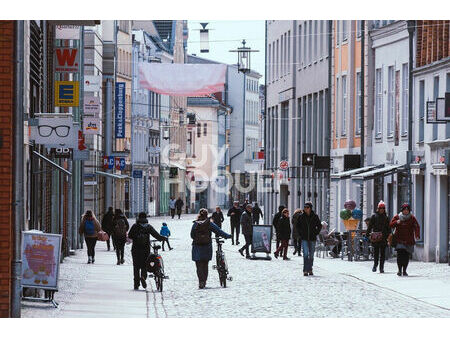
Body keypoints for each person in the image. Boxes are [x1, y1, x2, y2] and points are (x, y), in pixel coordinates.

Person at [191, 208, 231, 289]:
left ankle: (201, 282)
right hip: (207, 246)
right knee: (205, 264)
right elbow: (219, 231)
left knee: (199, 266)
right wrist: (227, 236)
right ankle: (204, 281)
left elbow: (192, 235)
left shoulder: (195, 224)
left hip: (197, 246)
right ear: (207, 215)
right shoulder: (209, 223)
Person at [127, 212, 166, 290]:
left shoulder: (135, 226)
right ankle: (143, 277)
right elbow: (156, 235)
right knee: (145, 265)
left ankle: (136, 284)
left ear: (139, 218)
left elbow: (130, 236)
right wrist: (162, 238)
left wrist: (136, 237)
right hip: (146, 249)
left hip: (136, 249)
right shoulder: (148, 227)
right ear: (145, 218)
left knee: (136, 266)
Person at [389, 203, 420, 277]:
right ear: (402, 210)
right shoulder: (397, 217)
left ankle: (404, 270)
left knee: (406, 256)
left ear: (409, 211)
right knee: (400, 255)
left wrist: (417, 235)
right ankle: (399, 270)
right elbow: (391, 224)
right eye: (404, 210)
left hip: (409, 240)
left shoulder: (412, 218)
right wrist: (396, 222)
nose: (406, 211)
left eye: (407, 210)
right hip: (399, 239)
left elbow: (417, 226)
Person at [296, 202, 321, 276]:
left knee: (312, 254)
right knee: (306, 254)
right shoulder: (301, 216)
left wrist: (316, 232)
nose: (305, 208)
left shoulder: (315, 216)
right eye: (304, 207)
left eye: (307, 207)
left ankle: (310, 268)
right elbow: (297, 226)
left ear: (310, 208)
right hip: (304, 238)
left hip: (312, 238)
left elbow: (319, 225)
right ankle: (305, 270)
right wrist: (300, 233)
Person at [367, 201, 390, 273]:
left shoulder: (386, 217)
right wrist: (367, 234)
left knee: (383, 254)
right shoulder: (374, 216)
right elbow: (370, 226)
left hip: (383, 237)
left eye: (383, 208)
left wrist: (389, 235)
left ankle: (381, 268)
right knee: (376, 252)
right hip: (376, 237)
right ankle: (375, 265)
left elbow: (388, 228)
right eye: (381, 208)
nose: (382, 209)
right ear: (378, 208)